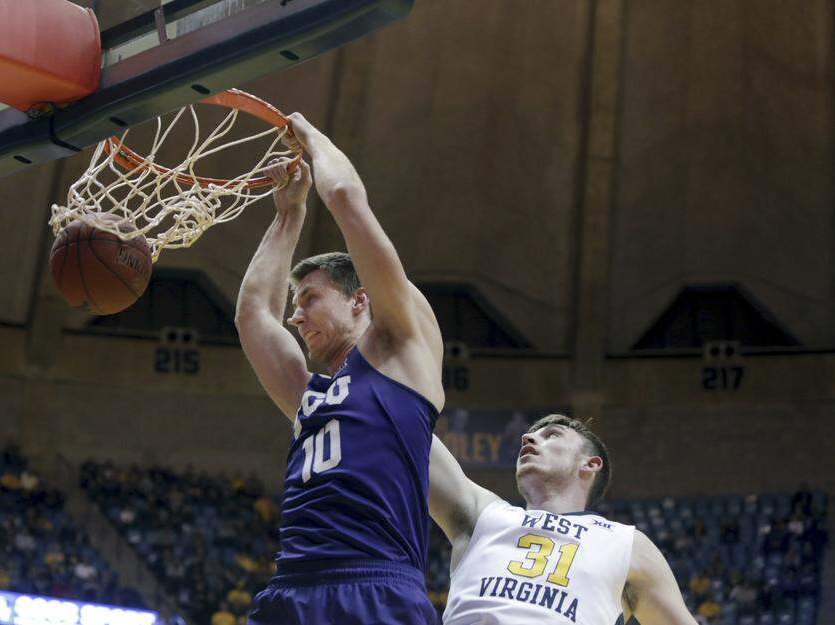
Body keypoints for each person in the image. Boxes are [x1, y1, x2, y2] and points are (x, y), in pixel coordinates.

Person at [235, 113, 444, 624]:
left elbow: (348, 198)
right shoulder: (309, 393)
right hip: (292, 590)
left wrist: (309, 137)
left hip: (377, 586)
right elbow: (253, 315)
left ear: (359, 301)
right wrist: (288, 214)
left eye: (310, 299)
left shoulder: (402, 348)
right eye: (296, 301)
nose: (295, 315)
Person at [429, 413, 698, 624]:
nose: (527, 438)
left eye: (551, 435)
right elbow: (411, 434)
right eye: (530, 435)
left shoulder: (627, 544)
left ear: (590, 464)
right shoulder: (484, 514)